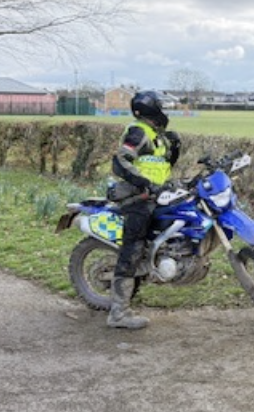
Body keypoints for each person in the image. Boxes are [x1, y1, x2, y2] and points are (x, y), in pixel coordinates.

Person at [107, 90, 181, 329]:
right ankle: (118, 314)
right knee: (133, 248)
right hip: (137, 198)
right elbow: (121, 161)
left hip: (155, 196)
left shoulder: (157, 136)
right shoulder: (138, 132)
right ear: (151, 111)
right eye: (162, 108)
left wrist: (175, 151)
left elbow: (158, 168)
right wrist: (144, 184)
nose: (166, 112)